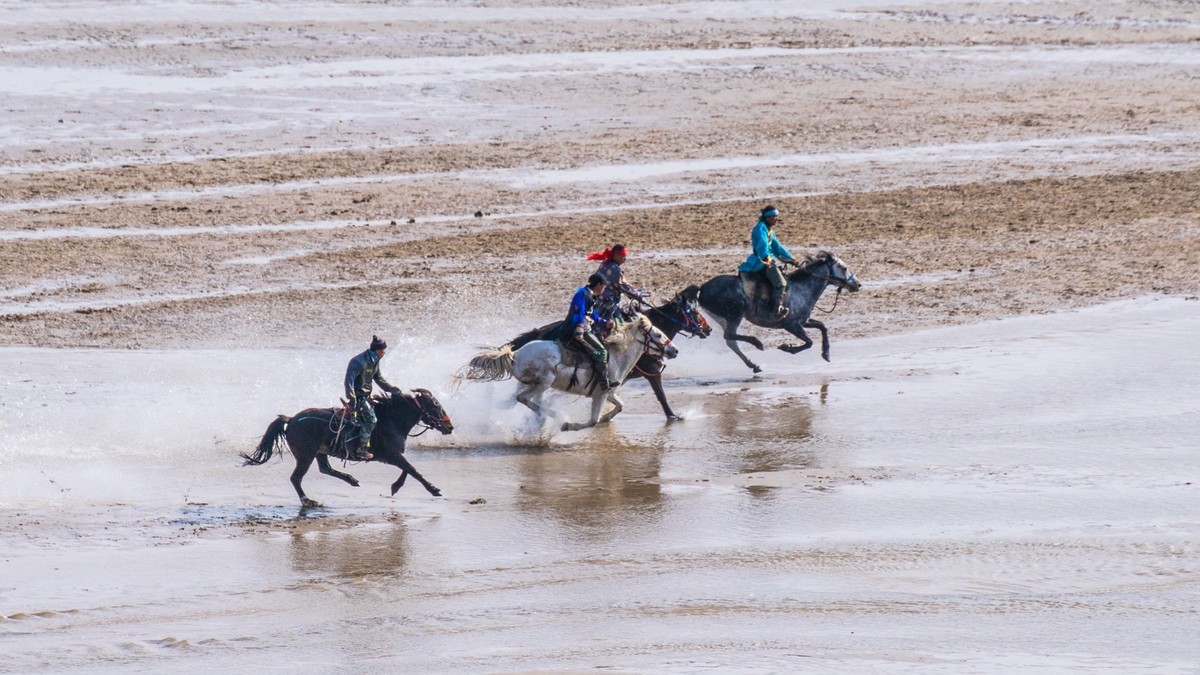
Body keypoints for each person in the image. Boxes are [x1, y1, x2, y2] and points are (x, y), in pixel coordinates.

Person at [343, 335, 400, 461]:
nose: (384, 353)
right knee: (371, 420)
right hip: (359, 398)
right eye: (383, 351)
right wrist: (352, 399)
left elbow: (378, 378)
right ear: (378, 351)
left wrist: (391, 389)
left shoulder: (375, 361)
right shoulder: (358, 361)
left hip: (367, 397)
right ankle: (361, 449)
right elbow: (349, 381)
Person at [738, 205, 798, 317]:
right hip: (762, 261)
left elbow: (778, 248)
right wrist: (767, 258)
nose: (777, 219)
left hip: (767, 260)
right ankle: (776, 310)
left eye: (777, 216)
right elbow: (762, 246)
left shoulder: (770, 231)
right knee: (780, 284)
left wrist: (792, 259)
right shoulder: (760, 229)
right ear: (767, 218)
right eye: (774, 217)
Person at [566, 274, 613, 390]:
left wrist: (604, 322)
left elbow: (591, 313)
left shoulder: (590, 295)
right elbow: (580, 314)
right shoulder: (582, 294)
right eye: (603, 287)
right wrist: (579, 331)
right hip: (581, 329)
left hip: (587, 327)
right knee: (602, 352)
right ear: (598, 285)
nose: (604, 289)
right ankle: (603, 384)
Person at [587, 244, 650, 324]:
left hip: (597, 302)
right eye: (623, 256)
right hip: (608, 305)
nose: (625, 259)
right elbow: (625, 288)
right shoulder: (616, 270)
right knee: (621, 325)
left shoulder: (605, 263)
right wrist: (640, 296)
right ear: (617, 256)